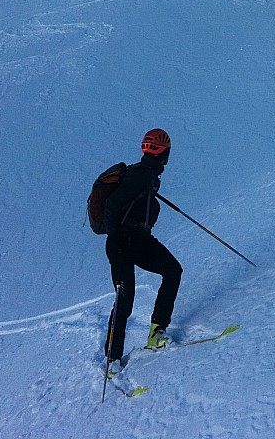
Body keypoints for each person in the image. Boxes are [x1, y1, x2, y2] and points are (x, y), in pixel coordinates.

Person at [103, 128, 182, 373]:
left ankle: (156, 333)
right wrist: (118, 235)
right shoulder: (140, 175)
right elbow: (111, 205)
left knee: (172, 270)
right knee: (124, 300)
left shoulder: (146, 175)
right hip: (122, 244)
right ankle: (112, 360)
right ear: (165, 153)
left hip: (137, 242)